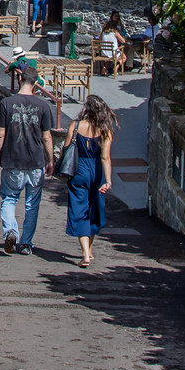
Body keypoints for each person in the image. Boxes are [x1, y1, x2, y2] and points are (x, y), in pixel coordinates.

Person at [0, 60, 57, 255]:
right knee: (32, 204)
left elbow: (0, 134)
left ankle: (10, 230)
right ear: (36, 84)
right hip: (35, 161)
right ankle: (26, 243)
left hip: (13, 159)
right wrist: (50, 160)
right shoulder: (43, 106)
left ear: (20, 79)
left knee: (9, 199)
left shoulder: (6, 103)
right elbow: (47, 136)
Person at [64, 95, 116, 267]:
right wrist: (108, 180)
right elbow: (105, 157)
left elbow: (66, 148)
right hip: (97, 171)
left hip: (79, 169)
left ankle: (86, 253)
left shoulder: (75, 125)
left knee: (79, 208)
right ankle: (89, 250)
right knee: (94, 208)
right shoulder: (105, 130)